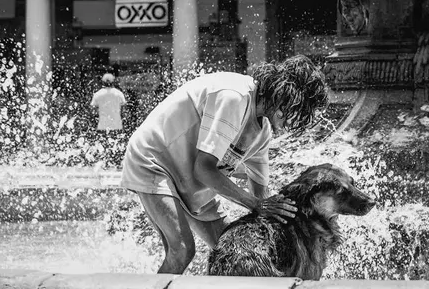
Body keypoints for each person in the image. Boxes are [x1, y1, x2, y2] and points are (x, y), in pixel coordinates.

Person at [120, 55, 329, 274]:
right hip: (155, 161)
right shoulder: (234, 97)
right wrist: (256, 204)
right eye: (296, 113)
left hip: (190, 182)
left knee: (234, 251)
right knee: (182, 250)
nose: (290, 124)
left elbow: (261, 198)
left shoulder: (263, 133)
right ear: (285, 97)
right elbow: (204, 168)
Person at [90, 73, 127, 164]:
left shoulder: (98, 94)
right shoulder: (118, 93)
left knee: (103, 146)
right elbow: (124, 109)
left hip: (102, 125)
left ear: (102, 82)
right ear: (113, 82)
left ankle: (105, 162)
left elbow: (92, 110)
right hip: (116, 124)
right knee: (117, 145)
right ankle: (117, 162)